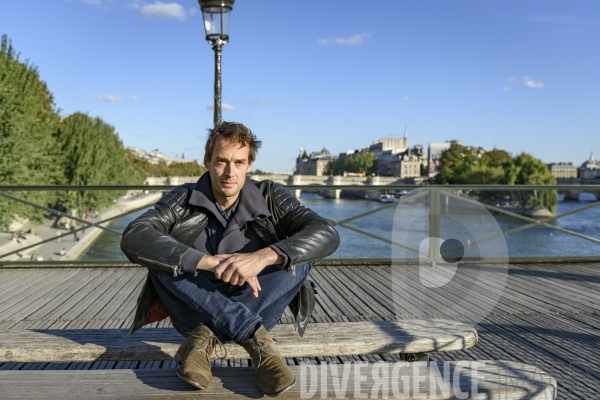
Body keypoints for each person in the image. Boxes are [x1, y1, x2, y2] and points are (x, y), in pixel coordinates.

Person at [120, 122, 339, 396]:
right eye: (221, 161)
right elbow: (134, 236)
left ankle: (203, 341)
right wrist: (208, 262)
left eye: (238, 162)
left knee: (299, 255)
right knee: (160, 257)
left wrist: (262, 257)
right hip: (193, 313)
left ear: (249, 165)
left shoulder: (270, 195)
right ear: (207, 162)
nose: (230, 172)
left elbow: (326, 233)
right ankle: (256, 341)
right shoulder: (184, 197)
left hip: (257, 307)